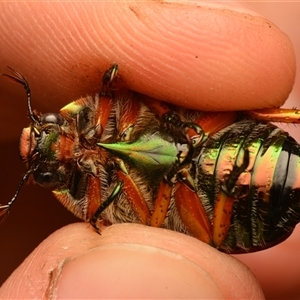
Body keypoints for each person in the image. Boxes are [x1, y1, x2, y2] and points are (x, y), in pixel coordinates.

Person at [0, 1, 298, 298]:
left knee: (245, 115)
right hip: (232, 213)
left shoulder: (108, 108)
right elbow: (135, 222)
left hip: (242, 147)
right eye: (47, 169)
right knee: (189, 232)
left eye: (50, 128)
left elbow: (130, 96)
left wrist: (160, 115)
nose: (64, 148)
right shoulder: (91, 193)